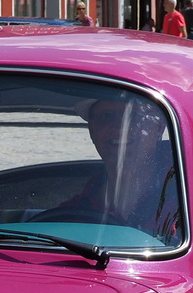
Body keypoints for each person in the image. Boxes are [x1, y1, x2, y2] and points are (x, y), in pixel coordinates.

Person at [52, 97, 181, 242]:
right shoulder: (82, 205)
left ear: (159, 128)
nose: (120, 128)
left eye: (135, 116)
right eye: (107, 116)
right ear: (92, 130)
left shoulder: (189, 191)